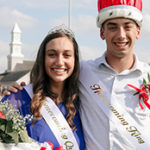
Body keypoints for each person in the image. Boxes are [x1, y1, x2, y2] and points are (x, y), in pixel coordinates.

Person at [5, 0, 150, 149]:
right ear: (102, 33)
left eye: (128, 26)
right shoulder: (84, 70)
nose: (121, 35)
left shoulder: (147, 75)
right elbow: (51, 76)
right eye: (112, 27)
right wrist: (14, 93)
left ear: (138, 31)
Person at [2, 25, 85, 150]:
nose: (59, 62)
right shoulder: (16, 99)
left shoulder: (82, 102)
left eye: (67, 55)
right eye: (52, 55)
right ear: (42, 59)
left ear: (75, 61)